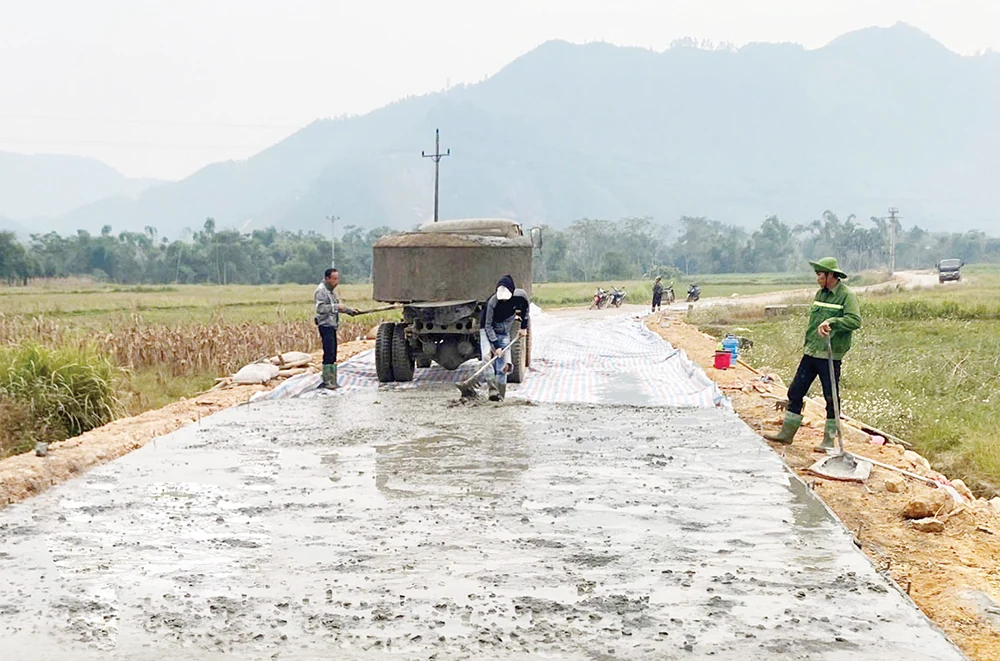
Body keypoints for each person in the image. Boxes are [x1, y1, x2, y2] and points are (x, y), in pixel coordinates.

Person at [764, 257, 861, 451]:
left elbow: (854, 320)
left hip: (830, 354)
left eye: (820, 275)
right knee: (795, 391)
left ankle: (828, 440)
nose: (817, 278)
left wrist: (832, 322)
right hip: (811, 352)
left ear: (831, 275)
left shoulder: (846, 296)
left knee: (831, 397)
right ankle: (786, 434)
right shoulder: (820, 294)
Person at [481, 274, 531, 401]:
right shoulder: (492, 302)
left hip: (504, 332)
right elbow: (488, 326)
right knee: (487, 357)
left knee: (504, 365)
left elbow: (525, 311)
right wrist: (496, 346)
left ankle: (500, 396)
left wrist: (523, 328)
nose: (503, 301)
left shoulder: (521, 297)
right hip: (488, 329)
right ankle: (492, 389)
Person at [314, 268, 358, 389]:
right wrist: (337, 306)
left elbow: (339, 308)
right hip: (325, 325)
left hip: (332, 325)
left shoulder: (331, 291)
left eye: (337, 278)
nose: (336, 281)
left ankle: (332, 381)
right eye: (334, 279)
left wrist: (350, 311)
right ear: (327, 278)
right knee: (328, 353)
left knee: (333, 353)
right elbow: (321, 309)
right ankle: (327, 381)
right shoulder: (321, 291)